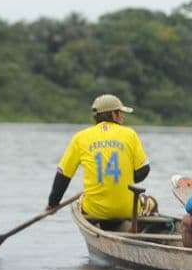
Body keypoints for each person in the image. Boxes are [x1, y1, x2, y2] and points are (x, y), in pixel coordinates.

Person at [48, 94, 150, 223]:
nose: (122, 117)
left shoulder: (80, 137)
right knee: (152, 202)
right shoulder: (130, 134)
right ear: (113, 114)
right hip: (127, 210)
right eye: (120, 113)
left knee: (80, 202)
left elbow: (63, 175)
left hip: (94, 210)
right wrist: (126, 179)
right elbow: (144, 169)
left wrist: (53, 203)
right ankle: (132, 229)